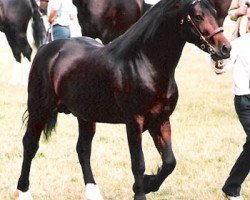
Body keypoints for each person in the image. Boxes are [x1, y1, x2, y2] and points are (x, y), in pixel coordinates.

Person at [222, 1, 250, 199]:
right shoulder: (240, 44)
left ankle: (231, 187)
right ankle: (231, 187)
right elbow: (220, 67)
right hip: (245, 101)